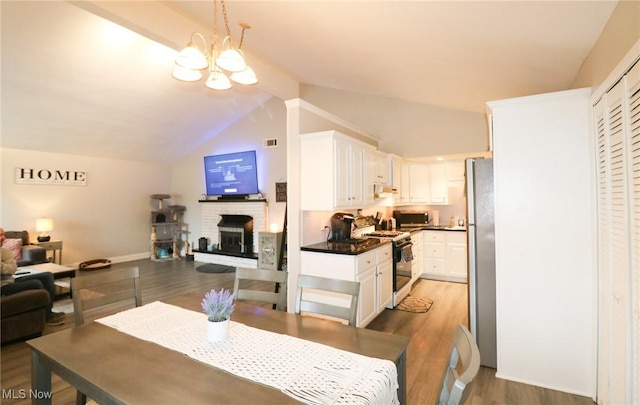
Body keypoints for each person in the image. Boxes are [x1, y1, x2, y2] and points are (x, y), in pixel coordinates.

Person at [1, 227, 65, 325]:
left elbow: (13, 269)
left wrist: (3, 267)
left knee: (47, 276)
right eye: (0, 235)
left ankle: (48, 312)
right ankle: (47, 317)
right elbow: (8, 269)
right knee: (36, 283)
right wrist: (5, 267)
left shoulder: (5, 252)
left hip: (11, 280)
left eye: (3, 234)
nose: (3, 238)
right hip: (2, 287)